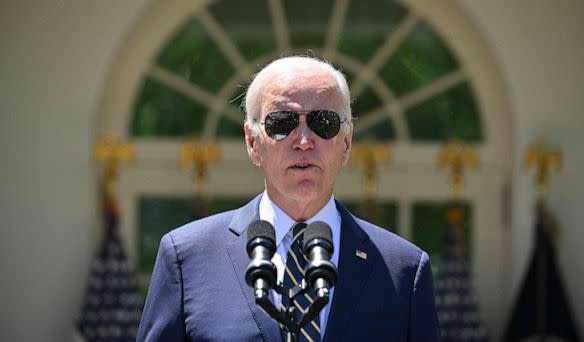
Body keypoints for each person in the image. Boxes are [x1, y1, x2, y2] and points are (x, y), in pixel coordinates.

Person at [137, 56, 440, 341]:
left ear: (346, 144)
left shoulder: (404, 270)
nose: (305, 141)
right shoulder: (186, 257)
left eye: (324, 123)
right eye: (282, 124)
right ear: (253, 142)